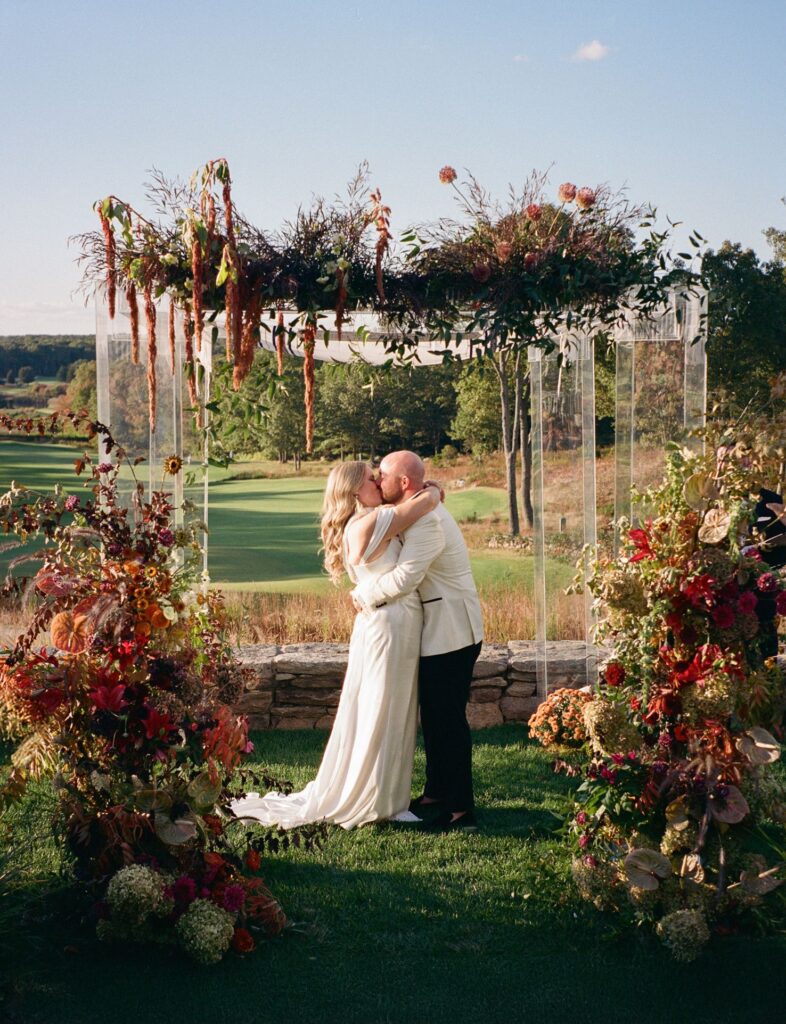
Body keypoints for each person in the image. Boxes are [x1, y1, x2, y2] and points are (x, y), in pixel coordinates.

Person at [230, 461, 440, 829]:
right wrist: (435, 490)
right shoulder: (369, 522)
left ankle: (389, 796)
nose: (377, 482)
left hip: (390, 622)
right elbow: (421, 505)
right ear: (355, 491)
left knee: (391, 709)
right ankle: (377, 800)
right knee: (381, 710)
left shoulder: (371, 518)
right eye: (370, 480)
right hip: (388, 624)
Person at [351, 451, 484, 833]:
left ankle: (461, 811)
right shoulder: (417, 506)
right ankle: (436, 793)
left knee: (447, 722)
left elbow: (407, 577)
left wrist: (365, 595)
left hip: (452, 631)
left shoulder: (426, 520)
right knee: (435, 717)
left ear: (404, 483)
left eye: (383, 475)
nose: (378, 480)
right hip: (437, 630)